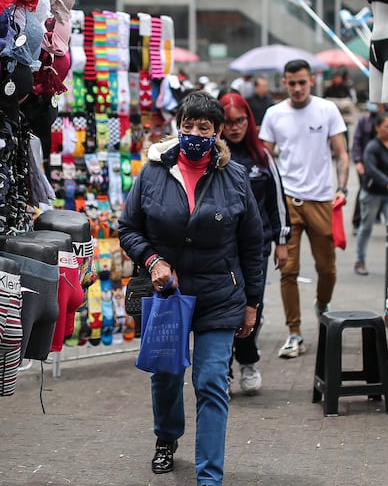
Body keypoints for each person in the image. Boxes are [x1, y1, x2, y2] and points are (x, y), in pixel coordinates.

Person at [119, 91, 266, 486]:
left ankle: (209, 476)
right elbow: (128, 227)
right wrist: (153, 260)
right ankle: (166, 438)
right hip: (168, 295)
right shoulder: (152, 173)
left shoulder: (235, 178)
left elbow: (254, 244)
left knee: (212, 381)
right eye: (187, 125)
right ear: (177, 126)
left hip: (220, 294)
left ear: (219, 131)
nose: (194, 133)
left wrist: (253, 303)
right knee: (165, 374)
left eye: (204, 127)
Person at [259, 59, 350, 359]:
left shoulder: (327, 110)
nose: (297, 88)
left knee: (327, 269)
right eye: (291, 83)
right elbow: (264, 159)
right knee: (288, 270)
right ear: (284, 83)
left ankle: (322, 306)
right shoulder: (274, 114)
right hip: (287, 202)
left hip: (322, 199)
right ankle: (294, 333)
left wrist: (342, 187)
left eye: (302, 82)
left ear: (311, 80)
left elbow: (341, 154)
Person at [219, 92, 290, 395]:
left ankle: (248, 362)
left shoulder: (262, 156)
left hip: (256, 249)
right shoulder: (214, 157)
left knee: (252, 308)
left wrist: (282, 240)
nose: (235, 127)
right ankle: (221, 370)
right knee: (221, 310)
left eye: (241, 121)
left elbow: (277, 199)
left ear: (250, 121)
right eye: (229, 122)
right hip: (220, 250)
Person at [354, 112, 388, 276]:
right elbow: (371, 169)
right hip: (372, 194)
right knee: (365, 228)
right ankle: (359, 260)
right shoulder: (372, 146)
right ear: (377, 127)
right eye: (387, 126)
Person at [350, 103, 388, 233]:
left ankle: (383, 218)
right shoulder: (365, 119)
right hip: (368, 160)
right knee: (366, 190)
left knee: (387, 189)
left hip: (386, 160)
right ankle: (358, 222)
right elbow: (357, 140)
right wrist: (358, 161)